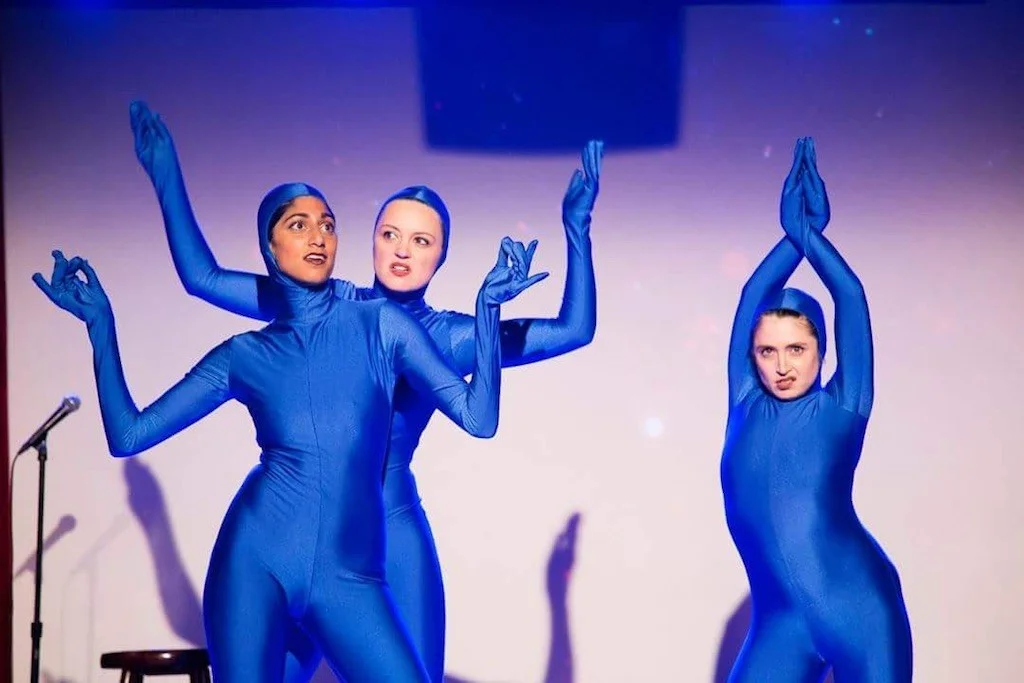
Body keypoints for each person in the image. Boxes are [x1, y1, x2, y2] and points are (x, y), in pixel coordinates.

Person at [128, 100, 601, 680]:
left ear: (442, 255)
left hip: (393, 531)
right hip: (303, 530)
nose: (402, 250)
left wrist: (576, 227)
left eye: (422, 241)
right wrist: (166, 174)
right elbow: (202, 278)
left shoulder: (450, 336)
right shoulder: (327, 304)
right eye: (390, 234)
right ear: (371, 240)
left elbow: (573, 330)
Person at [32, 180, 545, 682]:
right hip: (254, 562)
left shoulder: (383, 323)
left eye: (328, 225)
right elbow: (129, 435)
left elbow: (479, 419)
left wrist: (488, 309)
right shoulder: (243, 355)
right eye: (299, 226)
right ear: (270, 248)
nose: (318, 236)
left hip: (348, 577)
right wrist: (100, 327)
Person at [721, 138, 912, 682]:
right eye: (767, 351)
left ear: (821, 351)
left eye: (797, 349)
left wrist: (809, 237)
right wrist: (790, 238)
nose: (782, 365)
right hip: (779, 625)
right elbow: (753, 293)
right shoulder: (744, 401)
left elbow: (849, 296)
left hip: (861, 612)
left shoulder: (843, 404)